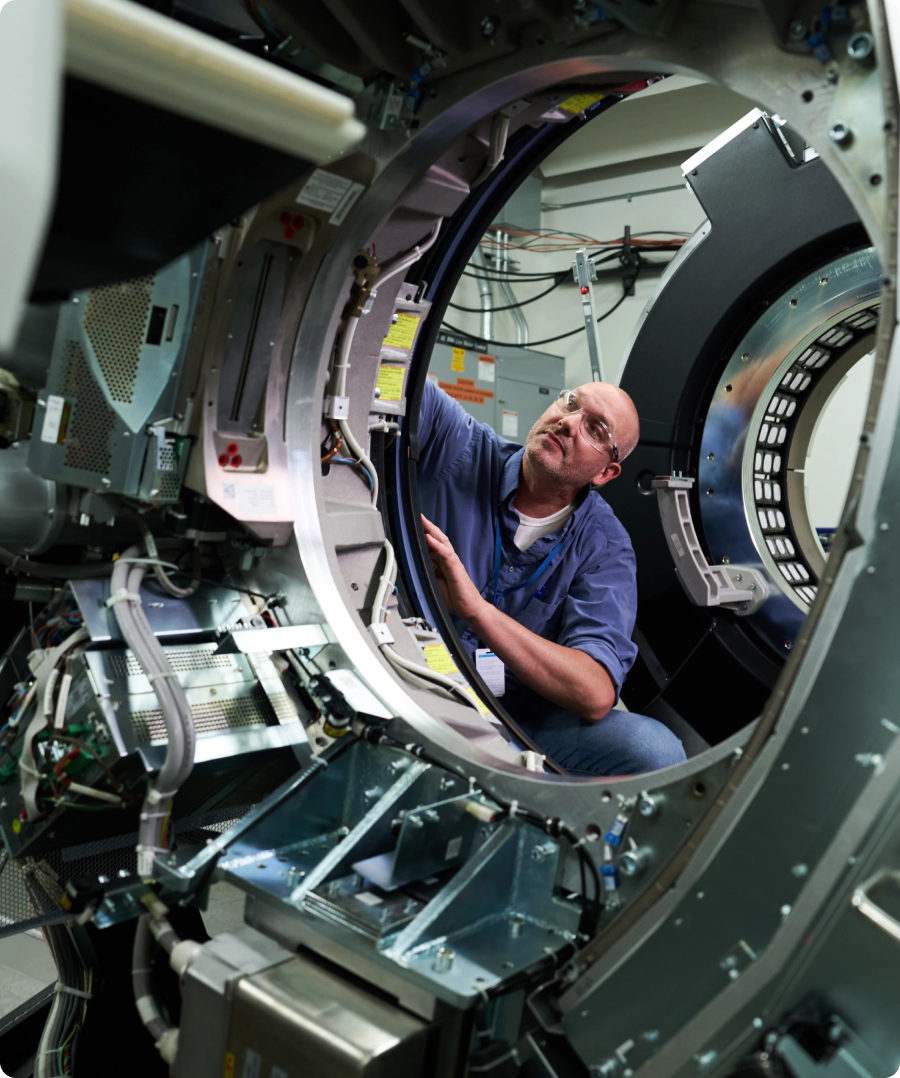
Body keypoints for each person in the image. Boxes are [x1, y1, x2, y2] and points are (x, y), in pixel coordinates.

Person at [417, 377, 686, 777]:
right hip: (408, 673)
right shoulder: (459, 448)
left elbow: (594, 691)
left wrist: (476, 611)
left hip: (516, 719)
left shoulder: (604, 546)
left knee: (655, 751)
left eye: (596, 429)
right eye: (571, 403)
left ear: (606, 473)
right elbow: (393, 367)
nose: (568, 422)